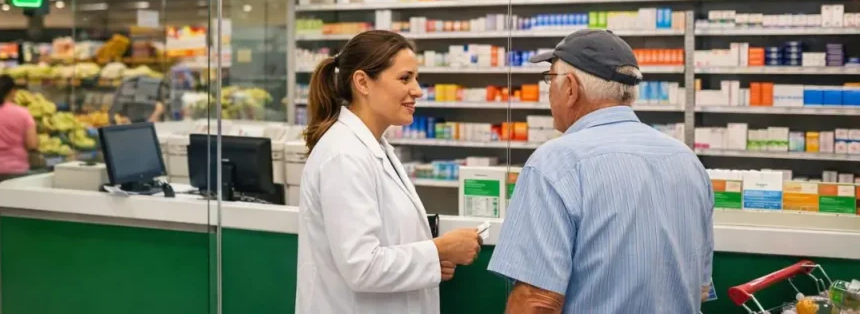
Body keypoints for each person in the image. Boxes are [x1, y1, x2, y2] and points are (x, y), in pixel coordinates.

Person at [488, 29, 714, 313]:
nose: (548, 90)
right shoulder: (686, 160)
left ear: (571, 88)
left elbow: (537, 301)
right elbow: (700, 288)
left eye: (550, 78)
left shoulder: (555, 163)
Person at [295, 31, 482, 314]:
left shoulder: (373, 148)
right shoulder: (344, 155)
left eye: (416, 79)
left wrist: (430, 262)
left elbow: (383, 246)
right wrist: (439, 250)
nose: (417, 90)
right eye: (405, 78)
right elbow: (361, 267)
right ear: (362, 82)